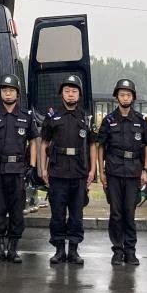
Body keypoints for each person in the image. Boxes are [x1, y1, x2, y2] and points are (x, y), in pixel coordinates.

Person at [94, 78, 147, 266]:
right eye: (122, 95)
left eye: (128, 95)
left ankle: (130, 251)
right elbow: (100, 147)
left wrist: (145, 170)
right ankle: (117, 250)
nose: (125, 98)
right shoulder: (108, 120)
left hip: (134, 172)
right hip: (113, 172)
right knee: (116, 213)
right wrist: (101, 172)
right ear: (117, 97)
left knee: (129, 212)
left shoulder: (140, 120)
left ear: (133, 98)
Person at [0, 74, 38, 264]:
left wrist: (32, 166)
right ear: (0, 93)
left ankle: (13, 250)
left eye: (11, 90)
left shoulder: (26, 116)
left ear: (17, 94)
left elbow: (33, 142)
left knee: (16, 212)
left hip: (18, 171)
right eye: (5, 90)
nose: (8, 93)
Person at [39, 73, 95, 265]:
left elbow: (92, 145)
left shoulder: (86, 118)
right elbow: (44, 142)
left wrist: (92, 170)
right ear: (61, 94)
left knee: (77, 215)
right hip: (57, 171)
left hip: (79, 172)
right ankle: (59, 250)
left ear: (79, 95)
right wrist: (43, 169)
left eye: (74, 91)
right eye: (67, 91)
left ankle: (73, 250)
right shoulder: (52, 116)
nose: (70, 94)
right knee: (57, 214)